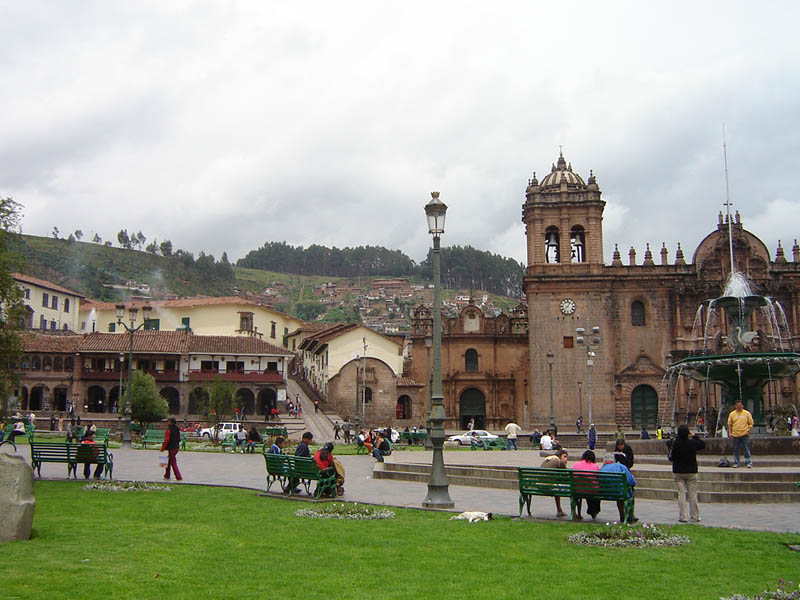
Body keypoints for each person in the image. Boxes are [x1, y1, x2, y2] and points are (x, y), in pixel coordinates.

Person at [667, 424, 705, 523]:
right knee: (692, 495)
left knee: (681, 495)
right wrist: (693, 436)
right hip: (691, 471)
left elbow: (668, 445)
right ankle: (695, 516)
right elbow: (702, 444)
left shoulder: (675, 443)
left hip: (678, 472)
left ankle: (683, 516)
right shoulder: (692, 443)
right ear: (688, 433)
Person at [600, 452, 637, 523]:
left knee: (619, 491)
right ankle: (628, 516)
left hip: (605, 494)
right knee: (624, 493)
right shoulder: (621, 467)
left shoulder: (602, 469)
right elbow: (631, 482)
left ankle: (622, 515)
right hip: (620, 493)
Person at [571, 450, 601, 520]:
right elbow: (598, 478)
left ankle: (577, 513)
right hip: (591, 491)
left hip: (577, 490)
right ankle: (593, 512)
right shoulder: (595, 466)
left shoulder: (576, 465)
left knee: (587, 488)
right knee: (593, 489)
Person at [540, 449, 569, 517]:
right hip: (549, 487)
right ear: (559, 456)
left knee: (556, 485)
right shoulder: (559, 462)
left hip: (540, 486)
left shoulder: (547, 459)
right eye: (564, 456)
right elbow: (567, 477)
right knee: (569, 488)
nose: (566, 459)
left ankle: (559, 510)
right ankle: (562, 511)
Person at [727, 400, 754, 468]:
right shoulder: (732, 414)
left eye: (740, 405)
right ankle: (736, 462)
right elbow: (729, 424)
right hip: (735, 434)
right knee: (736, 449)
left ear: (742, 406)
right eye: (737, 405)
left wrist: (748, 430)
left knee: (746, 449)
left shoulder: (747, 413)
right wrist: (730, 433)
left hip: (745, 434)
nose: (739, 407)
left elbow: (751, 423)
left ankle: (748, 462)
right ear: (735, 406)